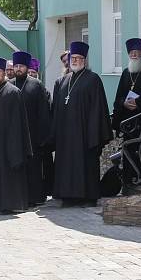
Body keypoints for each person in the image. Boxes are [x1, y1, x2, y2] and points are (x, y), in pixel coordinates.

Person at [49, 42, 113, 207]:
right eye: (73, 58)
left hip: (85, 136)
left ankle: (88, 197)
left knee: (85, 166)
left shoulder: (93, 80)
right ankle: (67, 196)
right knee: (66, 166)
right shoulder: (61, 82)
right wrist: (55, 134)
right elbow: (55, 110)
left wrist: (93, 136)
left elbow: (98, 109)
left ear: (84, 60)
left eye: (79, 58)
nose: (75, 60)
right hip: (65, 137)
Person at [0, 58, 32, 213]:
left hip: (8, 143)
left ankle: (8, 205)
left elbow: (18, 123)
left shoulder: (13, 92)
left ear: (4, 73)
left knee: (7, 175)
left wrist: (14, 147)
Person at [111, 38, 141, 189]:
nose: (134, 55)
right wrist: (123, 104)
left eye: (136, 52)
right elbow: (119, 96)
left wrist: (137, 103)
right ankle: (128, 182)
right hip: (128, 122)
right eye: (131, 53)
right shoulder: (126, 73)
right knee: (129, 152)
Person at [12, 51, 53, 206]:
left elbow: (43, 113)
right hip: (15, 136)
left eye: (21, 66)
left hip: (33, 136)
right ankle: (17, 197)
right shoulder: (9, 85)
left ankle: (35, 197)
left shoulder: (36, 85)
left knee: (33, 169)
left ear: (27, 67)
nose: (18, 69)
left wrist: (43, 138)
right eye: (16, 66)